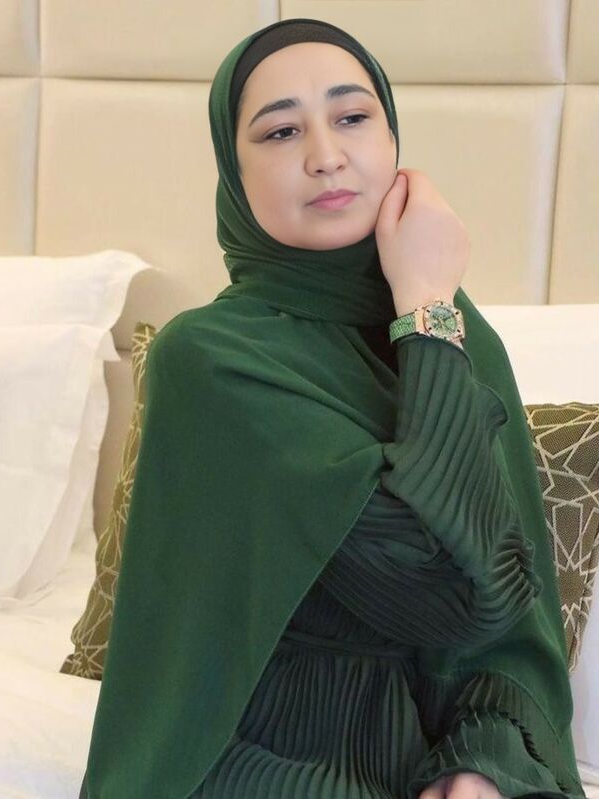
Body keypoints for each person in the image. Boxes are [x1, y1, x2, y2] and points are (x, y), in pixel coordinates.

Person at [80, 18, 587, 799]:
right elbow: (449, 594)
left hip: (438, 744)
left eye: (352, 116)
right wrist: (425, 307)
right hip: (261, 756)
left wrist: (483, 761)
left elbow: (509, 636)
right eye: (281, 131)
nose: (325, 154)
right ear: (234, 172)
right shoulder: (210, 357)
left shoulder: (460, 335)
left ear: (392, 139)